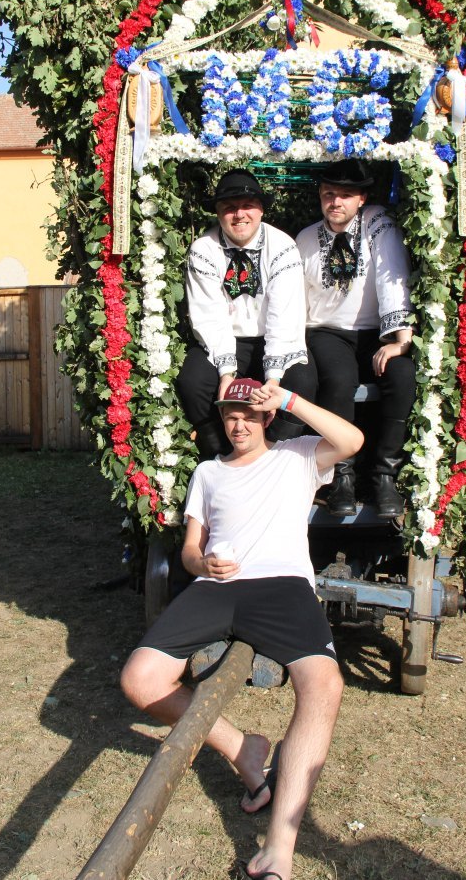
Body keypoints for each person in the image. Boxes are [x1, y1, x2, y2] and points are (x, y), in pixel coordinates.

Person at [121, 378, 364, 880]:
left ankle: (279, 846)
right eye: (231, 415)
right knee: (139, 680)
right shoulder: (208, 472)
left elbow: (352, 441)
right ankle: (242, 749)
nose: (239, 425)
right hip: (217, 587)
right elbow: (190, 550)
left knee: (325, 685)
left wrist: (289, 400)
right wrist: (201, 564)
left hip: (282, 586)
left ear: (266, 418)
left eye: (249, 416)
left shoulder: (298, 457)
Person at [295, 159, 416, 518]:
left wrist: (400, 340)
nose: (336, 202)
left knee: (403, 375)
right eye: (328, 194)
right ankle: (341, 476)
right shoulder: (305, 239)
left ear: (362, 198)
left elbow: (393, 276)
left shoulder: (378, 224)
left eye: (346, 195)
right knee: (337, 377)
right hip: (327, 331)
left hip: (375, 333)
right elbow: (296, 297)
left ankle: (384, 475)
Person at [176, 168, 315, 459]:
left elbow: (283, 316)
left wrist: (273, 379)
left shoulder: (283, 246)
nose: (239, 214)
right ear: (218, 213)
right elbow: (209, 315)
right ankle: (221, 457)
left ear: (261, 209)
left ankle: (275, 459)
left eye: (247, 205)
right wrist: (226, 374)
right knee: (193, 382)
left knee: (302, 382)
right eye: (229, 207)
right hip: (225, 341)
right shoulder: (203, 250)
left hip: (276, 339)